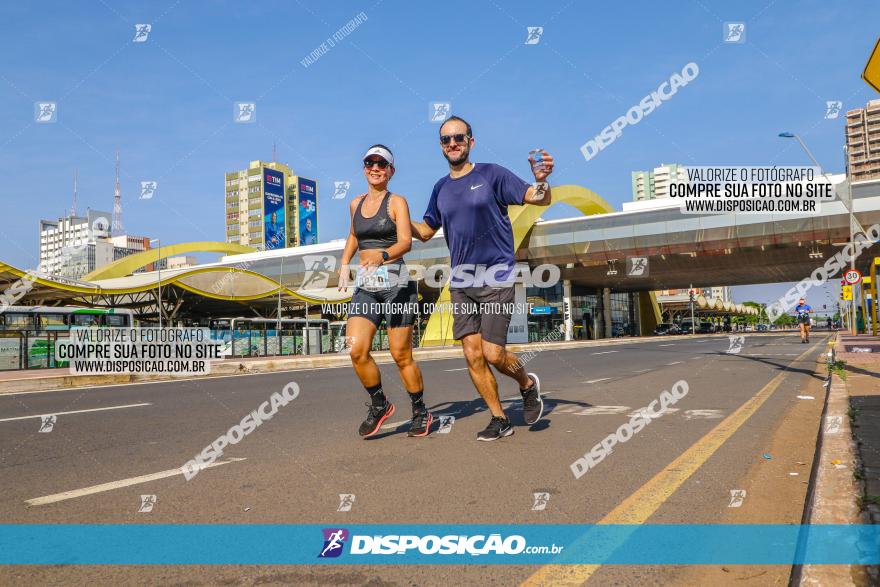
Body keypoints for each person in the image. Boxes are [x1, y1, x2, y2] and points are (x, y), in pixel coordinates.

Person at [411, 115, 553, 441]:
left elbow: (536, 197)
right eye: (446, 139)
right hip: (461, 282)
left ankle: (526, 384)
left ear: (470, 141)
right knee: (472, 356)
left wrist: (542, 180)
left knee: (493, 353)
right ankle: (499, 418)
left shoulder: (492, 174)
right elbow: (426, 229)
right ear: (441, 146)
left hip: (496, 276)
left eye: (459, 137)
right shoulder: (440, 189)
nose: (453, 143)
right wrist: (396, 216)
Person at [338, 144, 432, 438]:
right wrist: (344, 263)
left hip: (396, 285)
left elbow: (406, 242)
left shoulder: (397, 202)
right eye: (370, 163)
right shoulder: (355, 204)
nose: (375, 168)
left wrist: (382, 255)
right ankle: (380, 404)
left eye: (382, 164)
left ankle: (420, 410)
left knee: (400, 354)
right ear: (364, 167)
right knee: (356, 349)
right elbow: (354, 234)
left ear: (391, 171)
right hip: (366, 287)